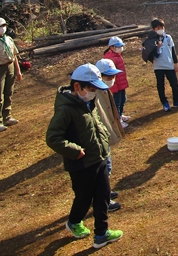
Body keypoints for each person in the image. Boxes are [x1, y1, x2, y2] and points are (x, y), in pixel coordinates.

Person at [45, 63, 123, 249]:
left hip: (99, 157)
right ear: (77, 87)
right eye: (90, 88)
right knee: (84, 198)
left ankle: (101, 234)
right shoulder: (66, 109)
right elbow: (53, 138)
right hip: (81, 164)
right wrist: (74, 151)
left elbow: (95, 125)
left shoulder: (90, 102)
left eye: (96, 88)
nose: (94, 91)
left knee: (103, 195)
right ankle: (74, 221)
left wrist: (103, 138)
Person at [95, 58, 126, 212]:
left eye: (113, 76)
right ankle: (103, 199)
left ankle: (105, 191)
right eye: (109, 77)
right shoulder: (93, 94)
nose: (112, 80)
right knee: (102, 169)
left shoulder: (105, 90)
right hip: (97, 139)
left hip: (105, 135)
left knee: (108, 166)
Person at [143, 18, 178, 111]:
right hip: (158, 66)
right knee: (160, 85)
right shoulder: (151, 40)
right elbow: (150, 55)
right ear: (153, 29)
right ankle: (165, 103)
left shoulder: (168, 38)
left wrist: (175, 63)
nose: (160, 29)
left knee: (174, 84)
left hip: (169, 65)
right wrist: (157, 47)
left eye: (161, 27)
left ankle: (176, 101)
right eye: (158, 28)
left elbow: (173, 51)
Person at [103, 36, 130, 128]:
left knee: (123, 100)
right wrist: (114, 87)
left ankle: (120, 115)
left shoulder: (117, 55)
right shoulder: (110, 59)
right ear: (111, 47)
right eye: (118, 46)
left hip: (121, 83)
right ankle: (117, 120)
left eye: (121, 46)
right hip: (116, 85)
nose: (120, 48)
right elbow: (109, 75)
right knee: (117, 102)